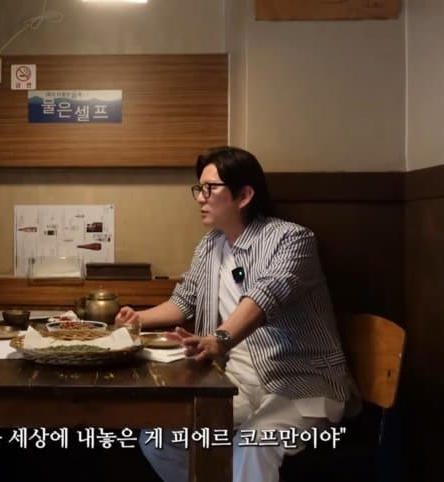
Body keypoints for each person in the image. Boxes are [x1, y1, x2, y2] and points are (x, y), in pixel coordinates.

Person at [115, 146, 357, 482]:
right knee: (161, 440)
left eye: (210, 188)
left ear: (244, 195)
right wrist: (137, 320)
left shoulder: (291, 239)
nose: (200, 197)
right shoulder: (210, 245)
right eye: (199, 188)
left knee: (253, 444)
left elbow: (265, 297)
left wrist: (218, 340)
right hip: (238, 382)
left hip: (301, 384)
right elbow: (183, 302)